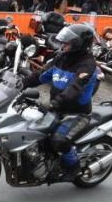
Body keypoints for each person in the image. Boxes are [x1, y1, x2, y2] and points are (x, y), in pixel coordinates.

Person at [23, 23, 100, 180]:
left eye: (67, 42)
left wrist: (55, 103)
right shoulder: (61, 58)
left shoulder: (87, 65)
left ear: (78, 44)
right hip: (57, 108)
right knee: (31, 129)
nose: (63, 45)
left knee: (58, 139)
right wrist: (19, 83)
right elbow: (41, 75)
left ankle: (74, 167)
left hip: (77, 113)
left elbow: (74, 88)